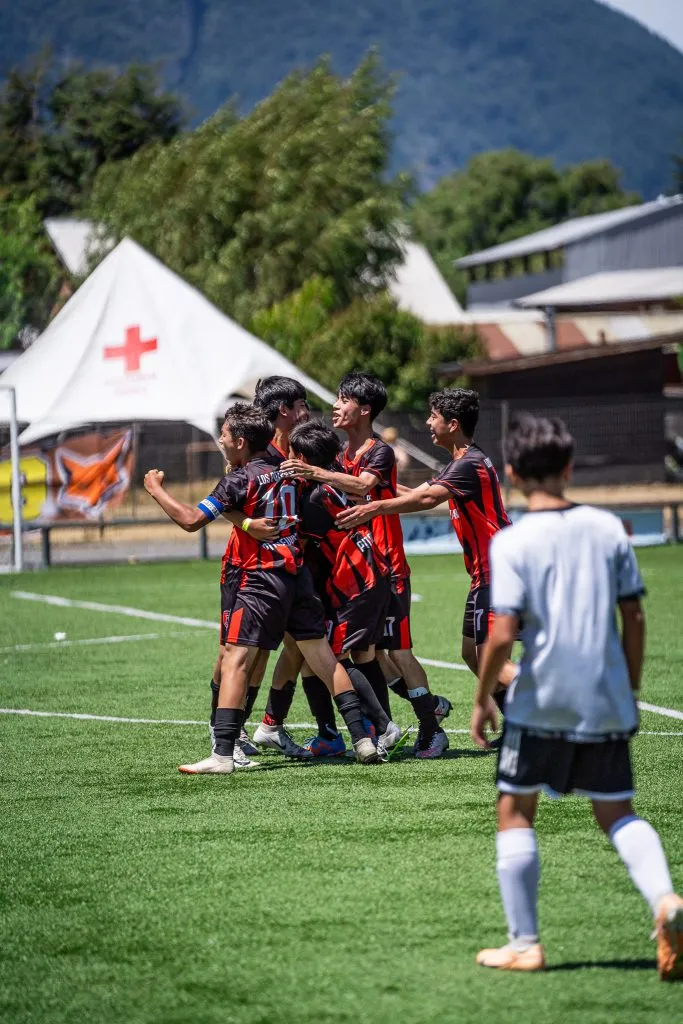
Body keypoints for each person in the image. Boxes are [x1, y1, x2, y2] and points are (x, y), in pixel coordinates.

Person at [471, 413, 683, 979]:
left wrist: (481, 697)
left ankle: (525, 944)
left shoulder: (512, 541)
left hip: (541, 697)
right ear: (569, 468)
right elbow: (633, 614)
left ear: (512, 473)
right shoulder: (609, 528)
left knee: (515, 810)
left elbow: (502, 630)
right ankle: (666, 901)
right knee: (616, 812)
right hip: (604, 696)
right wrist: (629, 687)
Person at [143, 402, 379, 773]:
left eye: (222, 434)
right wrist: (249, 522)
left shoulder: (239, 480)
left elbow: (190, 521)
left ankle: (222, 754)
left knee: (236, 659)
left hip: (260, 577)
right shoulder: (287, 469)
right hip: (296, 574)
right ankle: (363, 740)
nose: (219, 438)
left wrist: (156, 489)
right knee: (321, 657)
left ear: (239, 442)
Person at [282, 371, 451, 759]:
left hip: (388, 568)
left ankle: (430, 726)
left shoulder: (379, 450)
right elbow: (371, 488)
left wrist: (314, 472)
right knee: (367, 654)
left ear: (364, 409)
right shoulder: (342, 457)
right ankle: (398, 723)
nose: (336, 406)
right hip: (360, 570)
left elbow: (362, 486)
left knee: (399, 654)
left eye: (343, 400)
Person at [336, 387, 514, 739]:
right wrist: (380, 490)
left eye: (433, 417)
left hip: (500, 571)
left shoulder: (467, 464)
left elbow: (427, 498)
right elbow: (419, 494)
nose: (428, 423)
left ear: (453, 423)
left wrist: (372, 506)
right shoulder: (461, 462)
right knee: (472, 655)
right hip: (488, 573)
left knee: (491, 660)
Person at [288, 420, 402, 756]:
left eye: (294, 455)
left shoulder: (315, 496)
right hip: (371, 575)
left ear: (307, 459)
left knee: (330, 658)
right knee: (363, 654)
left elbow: (304, 538)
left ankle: (383, 726)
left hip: (357, 583)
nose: (289, 460)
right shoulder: (336, 481)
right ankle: (377, 728)